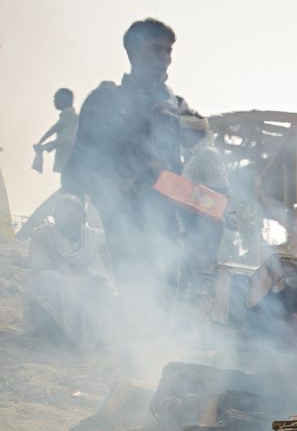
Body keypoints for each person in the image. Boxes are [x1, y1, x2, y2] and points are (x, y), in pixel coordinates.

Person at [63, 18, 189, 299]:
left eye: (169, 51)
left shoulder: (171, 109)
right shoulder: (105, 100)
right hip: (119, 219)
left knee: (164, 298)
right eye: (156, 50)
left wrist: (200, 209)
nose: (165, 59)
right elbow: (79, 164)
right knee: (128, 293)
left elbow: (174, 170)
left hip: (163, 221)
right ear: (133, 52)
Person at [23, 194, 116, 349]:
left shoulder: (95, 237)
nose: (70, 218)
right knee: (48, 280)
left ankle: (96, 338)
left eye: (75, 213)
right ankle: (53, 334)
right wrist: (82, 283)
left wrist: (104, 284)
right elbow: (38, 270)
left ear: (83, 217)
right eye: (65, 213)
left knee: (106, 291)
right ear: (55, 216)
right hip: (57, 289)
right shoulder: (42, 233)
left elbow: (107, 270)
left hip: (90, 289)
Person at [178, 111, 230, 298]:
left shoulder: (208, 154)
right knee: (188, 277)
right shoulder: (194, 156)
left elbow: (221, 193)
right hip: (194, 228)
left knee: (200, 281)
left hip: (206, 229)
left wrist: (185, 196)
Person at [33, 88, 79, 178]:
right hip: (69, 161)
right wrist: (44, 143)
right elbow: (53, 130)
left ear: (63, 100)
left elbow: (67, 140)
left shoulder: (70, 117)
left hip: (69, 160)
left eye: (56, 98)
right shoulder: (67, 117)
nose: (54, 101)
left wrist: (47, 145)